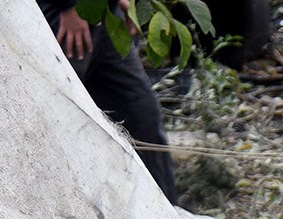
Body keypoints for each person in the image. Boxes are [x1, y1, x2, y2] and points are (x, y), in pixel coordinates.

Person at [37, 0, 179, 203]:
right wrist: (67, 6)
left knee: (142, 115)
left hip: (107, 17)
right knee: (54, 120)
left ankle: (167, 216)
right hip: (64, 16)